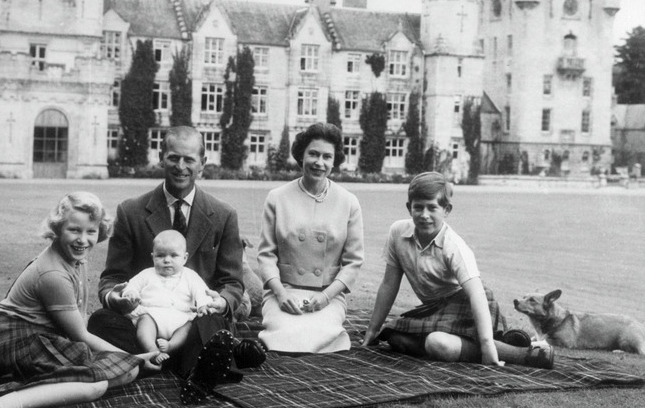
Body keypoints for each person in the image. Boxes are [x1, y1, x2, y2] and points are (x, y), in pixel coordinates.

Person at [87, 126, 266, 405]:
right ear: (161, 158)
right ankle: (203, 363)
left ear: (203, 164)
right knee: (100, 321)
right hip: (143, 320)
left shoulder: (224, 214)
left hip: (195, 321)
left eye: (189, 159)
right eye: (173, 158)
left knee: (215, 323)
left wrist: (221, 302)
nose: (180, 167)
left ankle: (166, 362)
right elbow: (112, 278)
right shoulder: (131, 211)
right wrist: (116, 297)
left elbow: (232, 282)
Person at [0, 192, 159, 408]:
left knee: (126, 371)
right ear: (57, 229)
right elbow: (80, 335)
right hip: (17, 341)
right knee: (99, 384)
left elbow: (80, 317)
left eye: (91, 231)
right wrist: (136, 357)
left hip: (43, 337)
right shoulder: (53, 274)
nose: (83, 240)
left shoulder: (78, 258)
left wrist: (127, 361)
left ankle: (47, 387)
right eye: (74, 230)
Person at [361, 172, 554, 369]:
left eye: (432, 208)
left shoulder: (453, 246)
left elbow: (477, 294)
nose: (424, 215)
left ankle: (526, 354)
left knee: (436, 343)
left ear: (446, 210)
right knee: (393, 336)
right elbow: (389, 284)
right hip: (434, 309)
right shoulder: (397, 232)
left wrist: (487, 345)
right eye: (418, 207)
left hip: (468, 304)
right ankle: (504, 340)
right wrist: (372, 330)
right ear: (409, 208)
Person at [257, 122, 364, 353]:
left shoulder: (348, 202)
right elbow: (266, 256)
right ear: (301, 156)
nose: (319, 162)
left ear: (335, 161)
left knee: (319, 336)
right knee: (286, 334)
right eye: (313, 154)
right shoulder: (277, 198)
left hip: (327, 294)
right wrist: (281, 293)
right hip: (284, 291)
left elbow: (354, 263)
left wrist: (326, 297)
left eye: (327, 156)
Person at [122, 230, 214, 364]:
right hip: (152, 315)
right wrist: (131, 293)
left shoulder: (190, 276)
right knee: (144, 323)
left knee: (188, 327)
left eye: (174, 255)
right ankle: (152, 349)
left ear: (185, 258)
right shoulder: (147, 274)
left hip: (180, 318)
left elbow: (201, 291)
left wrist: (203, 304)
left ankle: (171, 346)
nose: (167, 260)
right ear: (153, 257)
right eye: (160, 256)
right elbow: (132, 285)